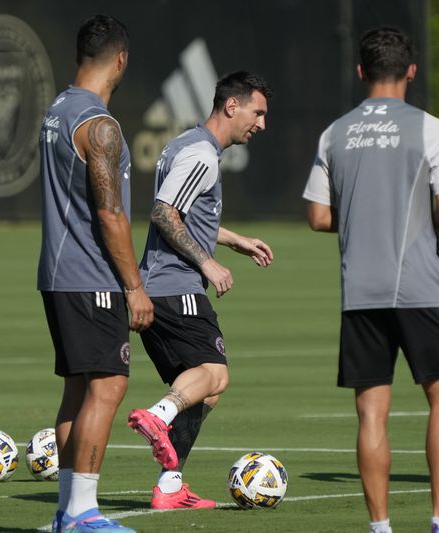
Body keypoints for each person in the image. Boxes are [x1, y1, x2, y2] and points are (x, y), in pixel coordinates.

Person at [304, 28, 439, 533]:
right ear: (412, 71)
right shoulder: (431, 128)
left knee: (371, 413)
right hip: (420, 287)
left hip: (361, 292)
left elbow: (316, 216)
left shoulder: (335, 132)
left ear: (361, 72)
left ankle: (380, 527)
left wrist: (363, 215)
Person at [127, 71, 274, 510]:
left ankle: (170, 486)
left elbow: (191, 215)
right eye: (258, 112)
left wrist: (234, 241)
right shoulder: (202, 155)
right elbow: (164, 213)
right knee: (218, 374)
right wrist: (207, 261)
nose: (262, 124)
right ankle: (159, 414)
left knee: (203, 390)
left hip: (161, 285)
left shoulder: (187, 144)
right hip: (176, 287)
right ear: (232, 106)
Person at [37, 15, 153, 533]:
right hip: (92, 276)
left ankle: (67, 511)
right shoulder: (99, 124)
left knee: (79, 391)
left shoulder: (58, 109)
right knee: (108, 387)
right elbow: (110, 214)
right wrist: (134, 287)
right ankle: (83, 512)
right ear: (121, 59)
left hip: (59, 274)